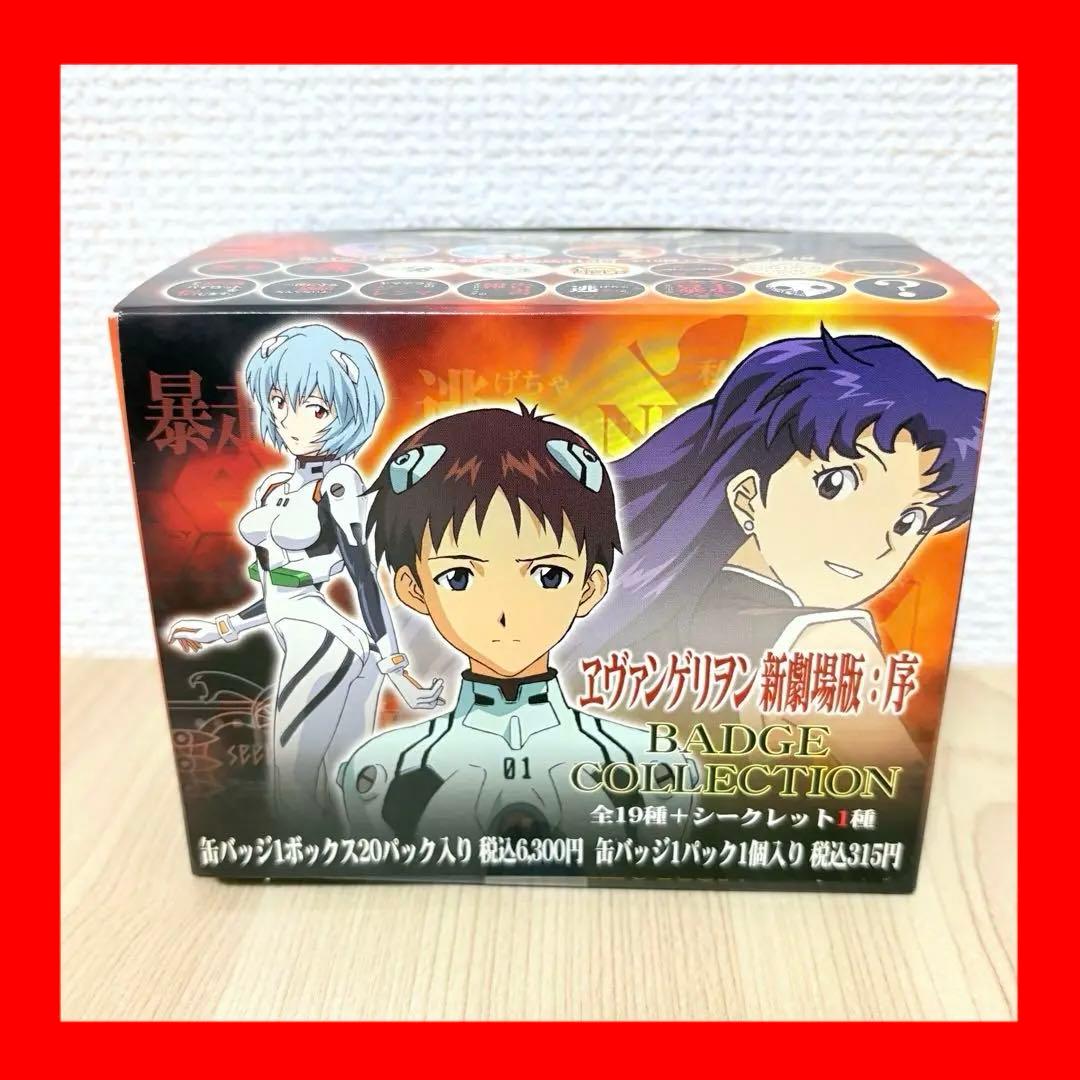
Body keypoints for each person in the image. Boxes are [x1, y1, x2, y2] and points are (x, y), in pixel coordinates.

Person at [336, 403, 695, 853]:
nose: (505, 610)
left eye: (549, 575)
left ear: (589, 586)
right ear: (412, 588)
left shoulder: (645, 767)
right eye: (459, 576)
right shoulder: (385, 771)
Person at [166, 323, 442, 827]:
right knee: (329, 788)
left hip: (325, 642)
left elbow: (362, 578)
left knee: (299, 786)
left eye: (315, 408)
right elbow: (280, 588)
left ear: (348, 412)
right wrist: (220, 628)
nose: (292, 420)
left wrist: (396, 668)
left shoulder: (339, 483)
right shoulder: (274, 487)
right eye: (279, 402)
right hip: (305, 629)